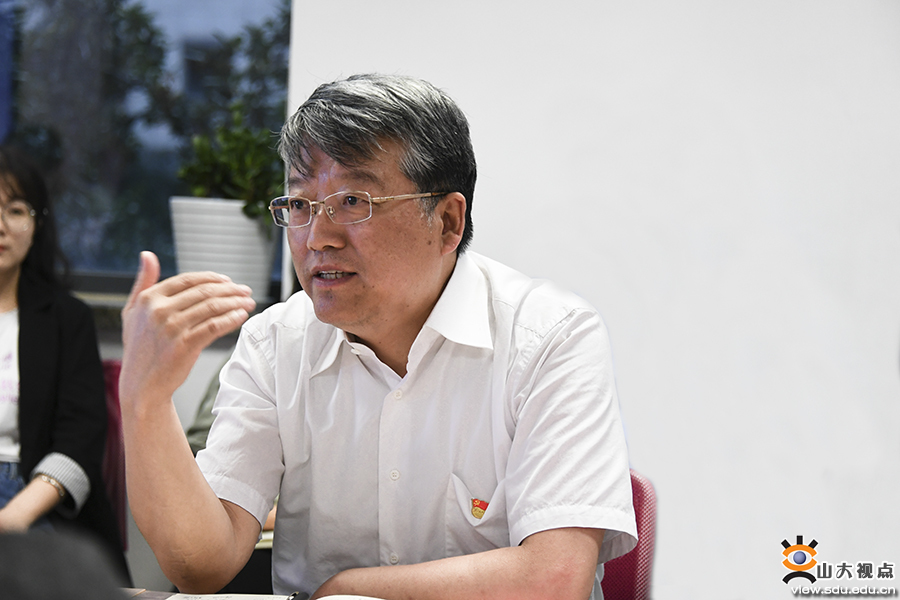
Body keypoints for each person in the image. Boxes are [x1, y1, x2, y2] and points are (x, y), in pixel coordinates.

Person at [120, 73, 637, 600]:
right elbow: (202, 566)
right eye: (300, 205)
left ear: (447, 221)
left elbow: (553, 580)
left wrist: (346, 590)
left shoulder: (551, 338)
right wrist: (146, 400)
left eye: (353, 201)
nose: (318, 237)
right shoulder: (275, 342)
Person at [0, 146, 130, 582]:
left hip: (33, 494)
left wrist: (14, 518)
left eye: (15, 210)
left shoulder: (66, 318)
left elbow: (80, 439)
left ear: (36, 224)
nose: (1, 225)